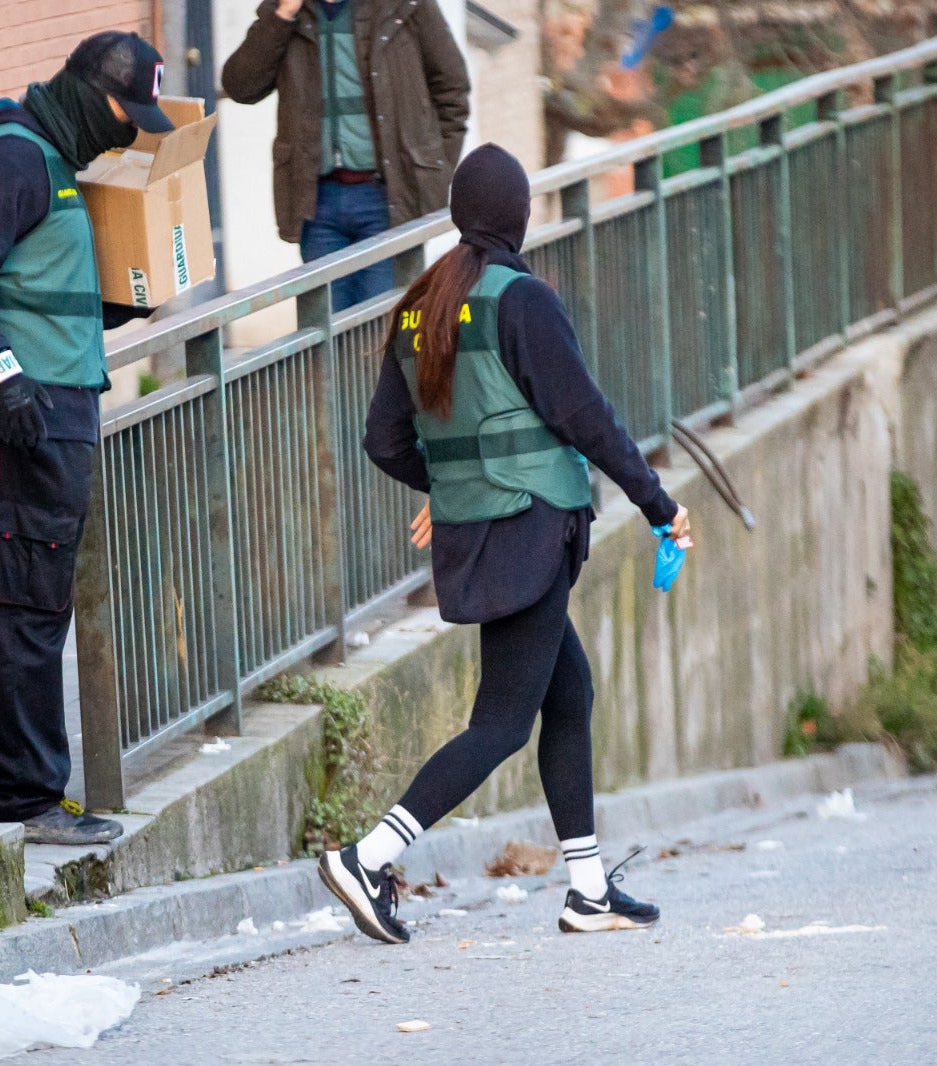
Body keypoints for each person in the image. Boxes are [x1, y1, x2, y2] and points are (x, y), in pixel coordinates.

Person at [317, 144, 690, 943]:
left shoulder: (420, 306)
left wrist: (452, 490)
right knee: (500, 724)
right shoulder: (522, 300)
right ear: (517, 218)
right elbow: (586, 418)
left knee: (570, 694)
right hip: (529, 532)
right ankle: (369, 856)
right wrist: (660, 505)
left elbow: (384, 440)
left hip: (484, 536)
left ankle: (587, 889)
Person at [0, 31, 174, 845]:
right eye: (125, 111)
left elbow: (42, 289)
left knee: (40, 603)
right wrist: (4, 379)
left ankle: (35, 787)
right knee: (24, 605)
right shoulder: (13, 158)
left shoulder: (57, 161)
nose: (129, 129)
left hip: (62, 412)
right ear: (86, 91)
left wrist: (123, 303)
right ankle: (27, 797)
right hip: (28, 421)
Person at [221, 0, 470, 311]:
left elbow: (452, 89)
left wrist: (434, 169)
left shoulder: (405, 5)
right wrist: (282, 15)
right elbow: (241, 86)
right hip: (317, 202)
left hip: (388, 198)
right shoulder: (287, 11)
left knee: (379, 324)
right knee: (325, 328)